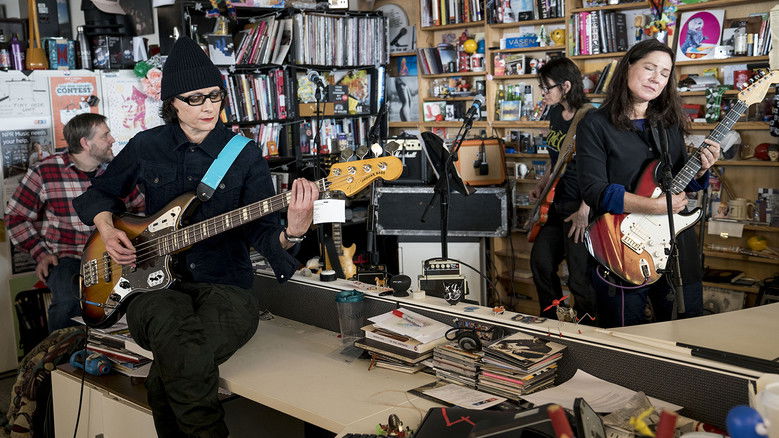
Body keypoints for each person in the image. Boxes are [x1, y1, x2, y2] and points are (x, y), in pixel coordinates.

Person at [73, 36, 318, 438]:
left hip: (226, 286)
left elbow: (262, 233)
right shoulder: (147, 145)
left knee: (176, 365)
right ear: (172, 103)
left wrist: (293, 231)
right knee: (181, 346)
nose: (208, 107)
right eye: (195, 99)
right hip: (149, 286)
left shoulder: (243, 154)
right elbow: (99, 194)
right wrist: (107, 228)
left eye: (215, 96)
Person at [576, 38, 720, 327]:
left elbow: (679, 182)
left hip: (676, 246)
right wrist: (654, 206)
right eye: (649, 68)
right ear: (628, 67)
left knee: (686, 331)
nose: (656, 79)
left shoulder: (668, 122)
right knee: (624, 337)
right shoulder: (595, 124)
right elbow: (594, 191)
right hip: (622, 248)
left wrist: (701, 171)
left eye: (664, 74)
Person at [5, 113, 144, 332]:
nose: (112, 140)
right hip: (68, 257)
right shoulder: (44, 171)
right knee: (70, 301)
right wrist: (39, 253)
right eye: (105, 135)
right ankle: (61, 353)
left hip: (113, 257)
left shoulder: (115, 170)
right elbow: (16, 217)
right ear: (85, 143)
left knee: (139, 301)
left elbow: (141, 209)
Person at [529, 57, 597, 321]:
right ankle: (552, 321)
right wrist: (543, 182)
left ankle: (588, 331)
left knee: (580, 279)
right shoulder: (556, 114)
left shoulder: (591, 117)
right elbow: (557, 157)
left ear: (566, 86)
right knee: (541, 262)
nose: (543, 93)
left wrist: (585, 209)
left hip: (580, 209)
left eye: (546, 87)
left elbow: (600, 168)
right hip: (557, 205)